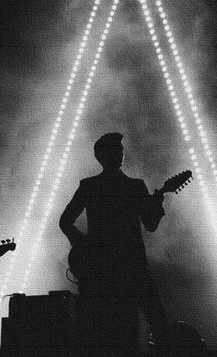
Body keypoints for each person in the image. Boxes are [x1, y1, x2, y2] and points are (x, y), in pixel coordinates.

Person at [59, 132, 168, 354]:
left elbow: (65, 222)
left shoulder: (97, 186)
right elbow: (150, 225)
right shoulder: (132, 187)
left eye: (121, 150)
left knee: (119, 329)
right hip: (130, 267)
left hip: (109, 270)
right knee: (148, 324)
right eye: (115, 150)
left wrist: (86, 246)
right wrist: (87, 246)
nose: (120, 153)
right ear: (104, 155)